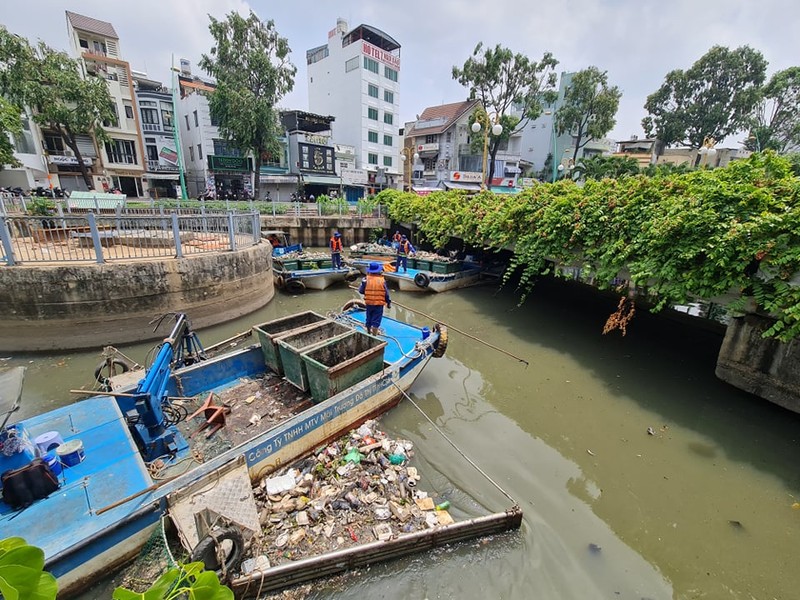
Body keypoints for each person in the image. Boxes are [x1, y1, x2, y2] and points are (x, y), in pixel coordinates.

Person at [358, 262, 391, 335]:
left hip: (369, 303)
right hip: (378, 304)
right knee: (376, 321)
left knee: (369, 318)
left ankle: (369, 332)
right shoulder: (382, 281)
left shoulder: (365, 280)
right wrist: (388, 303)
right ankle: (374, 335)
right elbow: (386, 294)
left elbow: (361, 291)